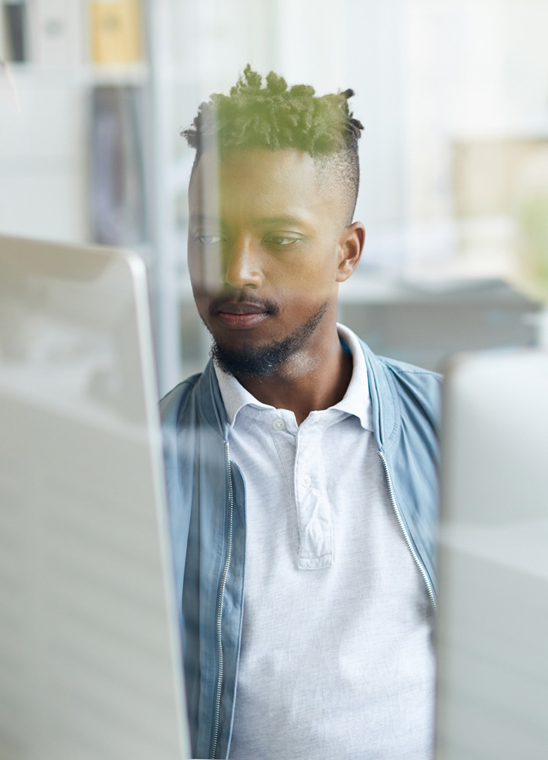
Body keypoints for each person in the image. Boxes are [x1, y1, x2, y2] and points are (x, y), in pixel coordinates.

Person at [159, 66, 440, 760]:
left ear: (347, 253)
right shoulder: (144, 457)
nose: (237, 270)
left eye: (279, 239)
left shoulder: (454, 429)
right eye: (207, 236)